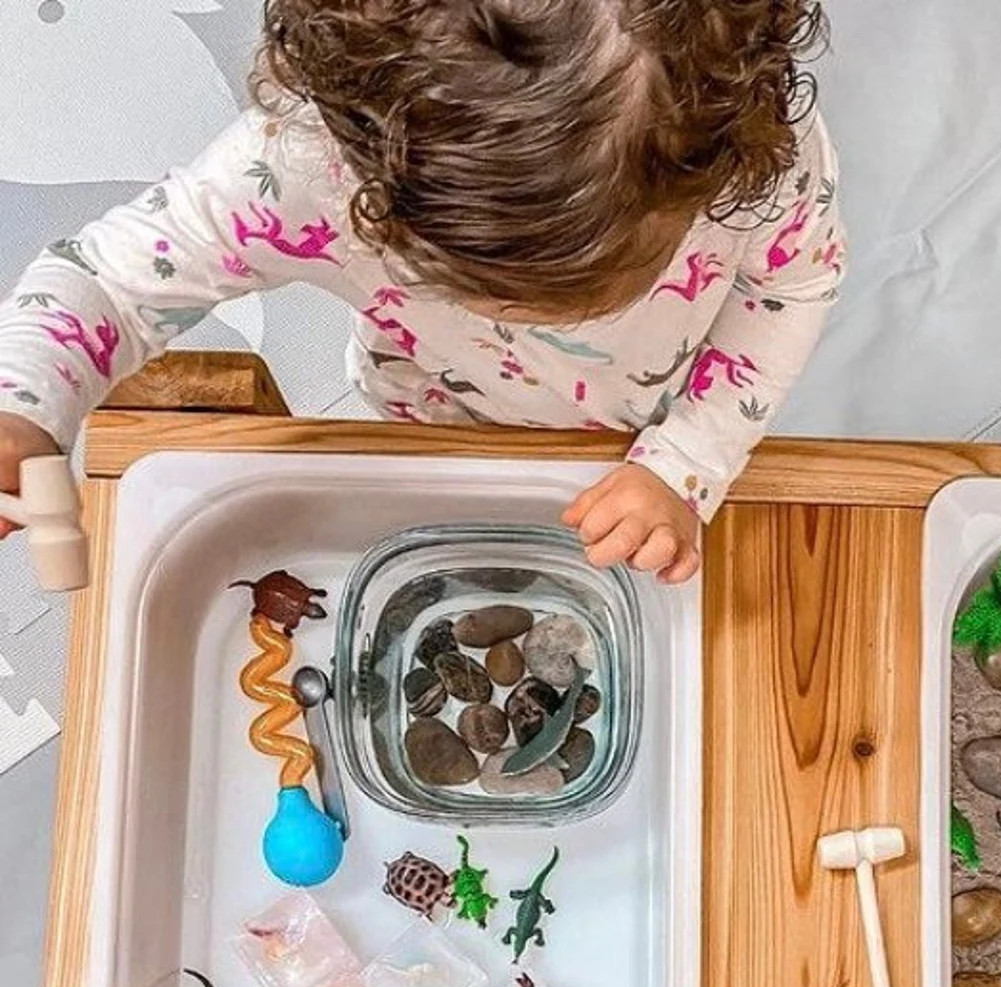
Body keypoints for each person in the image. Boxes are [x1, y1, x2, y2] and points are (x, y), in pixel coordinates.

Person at [0, 0, 845, 584]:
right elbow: (104, 284)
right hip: (435, 417)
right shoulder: (299, 170)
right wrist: (24, 411)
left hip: (661, 420)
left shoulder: (754, 150)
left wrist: (687, 462)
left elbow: (795, 282)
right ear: (370, 187)